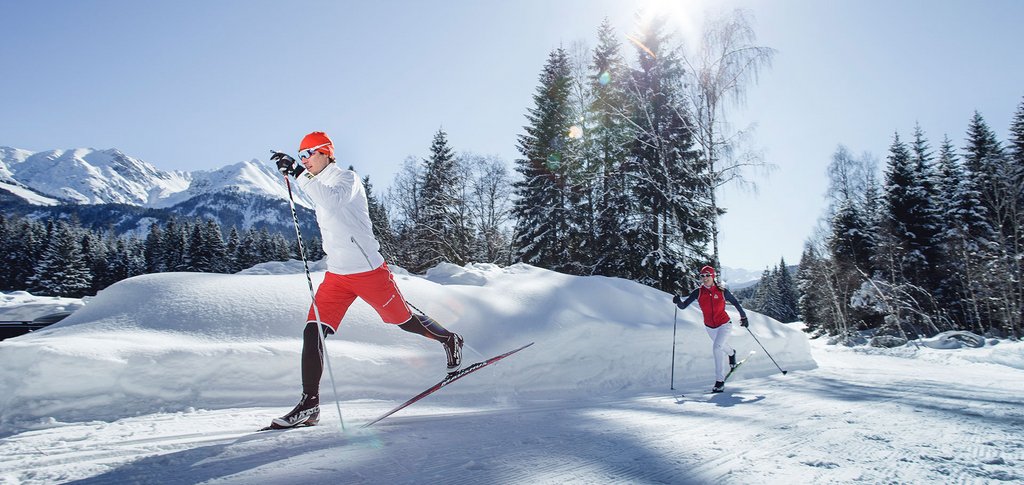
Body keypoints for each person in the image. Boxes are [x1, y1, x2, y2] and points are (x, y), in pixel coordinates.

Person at [269, 131, 463, 428]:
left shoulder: (346, 180)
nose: (304, 159)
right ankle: (310, 404)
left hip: (369, 271)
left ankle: (449, 339)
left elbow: (332, 202)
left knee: (404, 320)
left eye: (309, 153)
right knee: (312, 332)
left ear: (327, 153)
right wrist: (297, 176)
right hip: (337, 276)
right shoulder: (316, 184)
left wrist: (297, 173)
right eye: (300, 155)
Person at [672, 265, 748, 393]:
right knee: (721, 346)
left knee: (717, 347)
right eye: (702, 276)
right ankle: (732, 353)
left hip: (724, 324)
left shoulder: (722, 291)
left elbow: (735, 302)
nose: (705, 278)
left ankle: (719, 381)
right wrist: (678, 301)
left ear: (713, 276)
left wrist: (744, 317)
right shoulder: (698, 292)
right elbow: (684, 306)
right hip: (710, 327)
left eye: (708, 275)